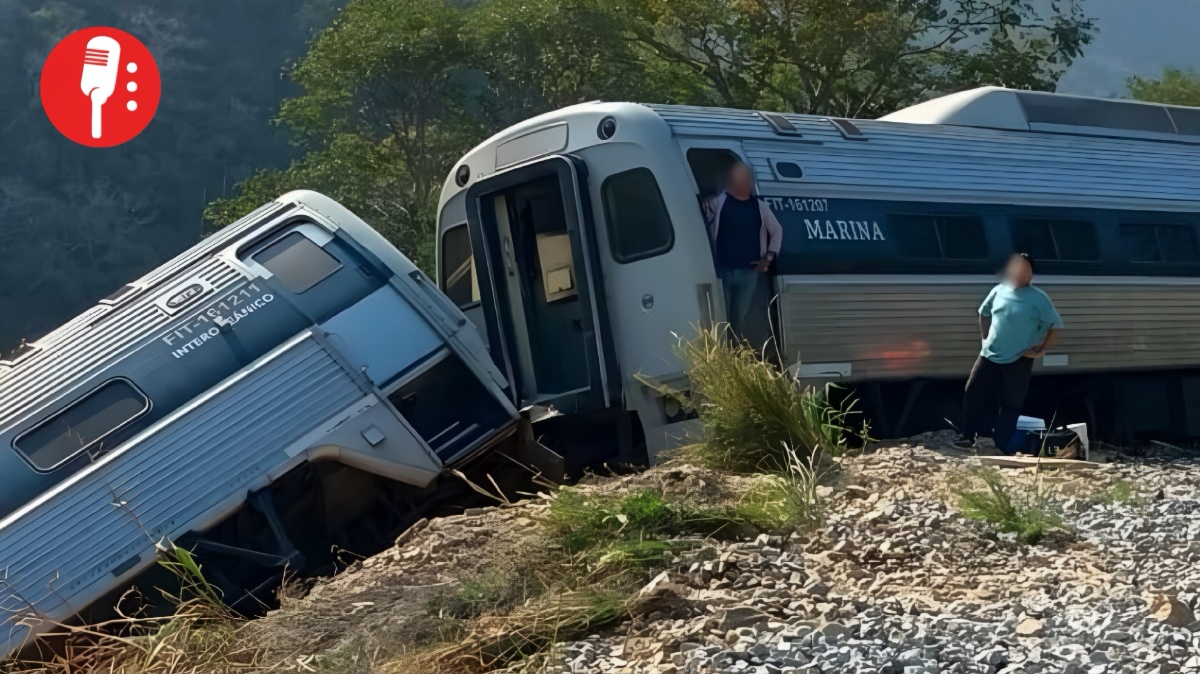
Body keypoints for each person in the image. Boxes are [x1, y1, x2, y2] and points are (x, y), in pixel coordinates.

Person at [956, 253, 1063, 452]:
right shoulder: (998, 291)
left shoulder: (1039, 298)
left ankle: (1002, 444)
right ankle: (968, 436)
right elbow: (984, 312)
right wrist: (985, 338)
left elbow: (1055, 325)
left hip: (1019, 358)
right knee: (973, 392)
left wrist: (1041, 350)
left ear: (1031, 273)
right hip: (989, 355)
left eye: (1025, 268)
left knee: (1011, 404)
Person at [705, 161, 783, 342]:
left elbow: (777, 230)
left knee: (739, 316)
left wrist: (769, 256)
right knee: (720, 316)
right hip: (722, 271)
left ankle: (733, 354)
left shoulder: (760, 207)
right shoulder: (720, 202)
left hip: (749, 273)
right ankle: (720, 355)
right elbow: (705, 216)